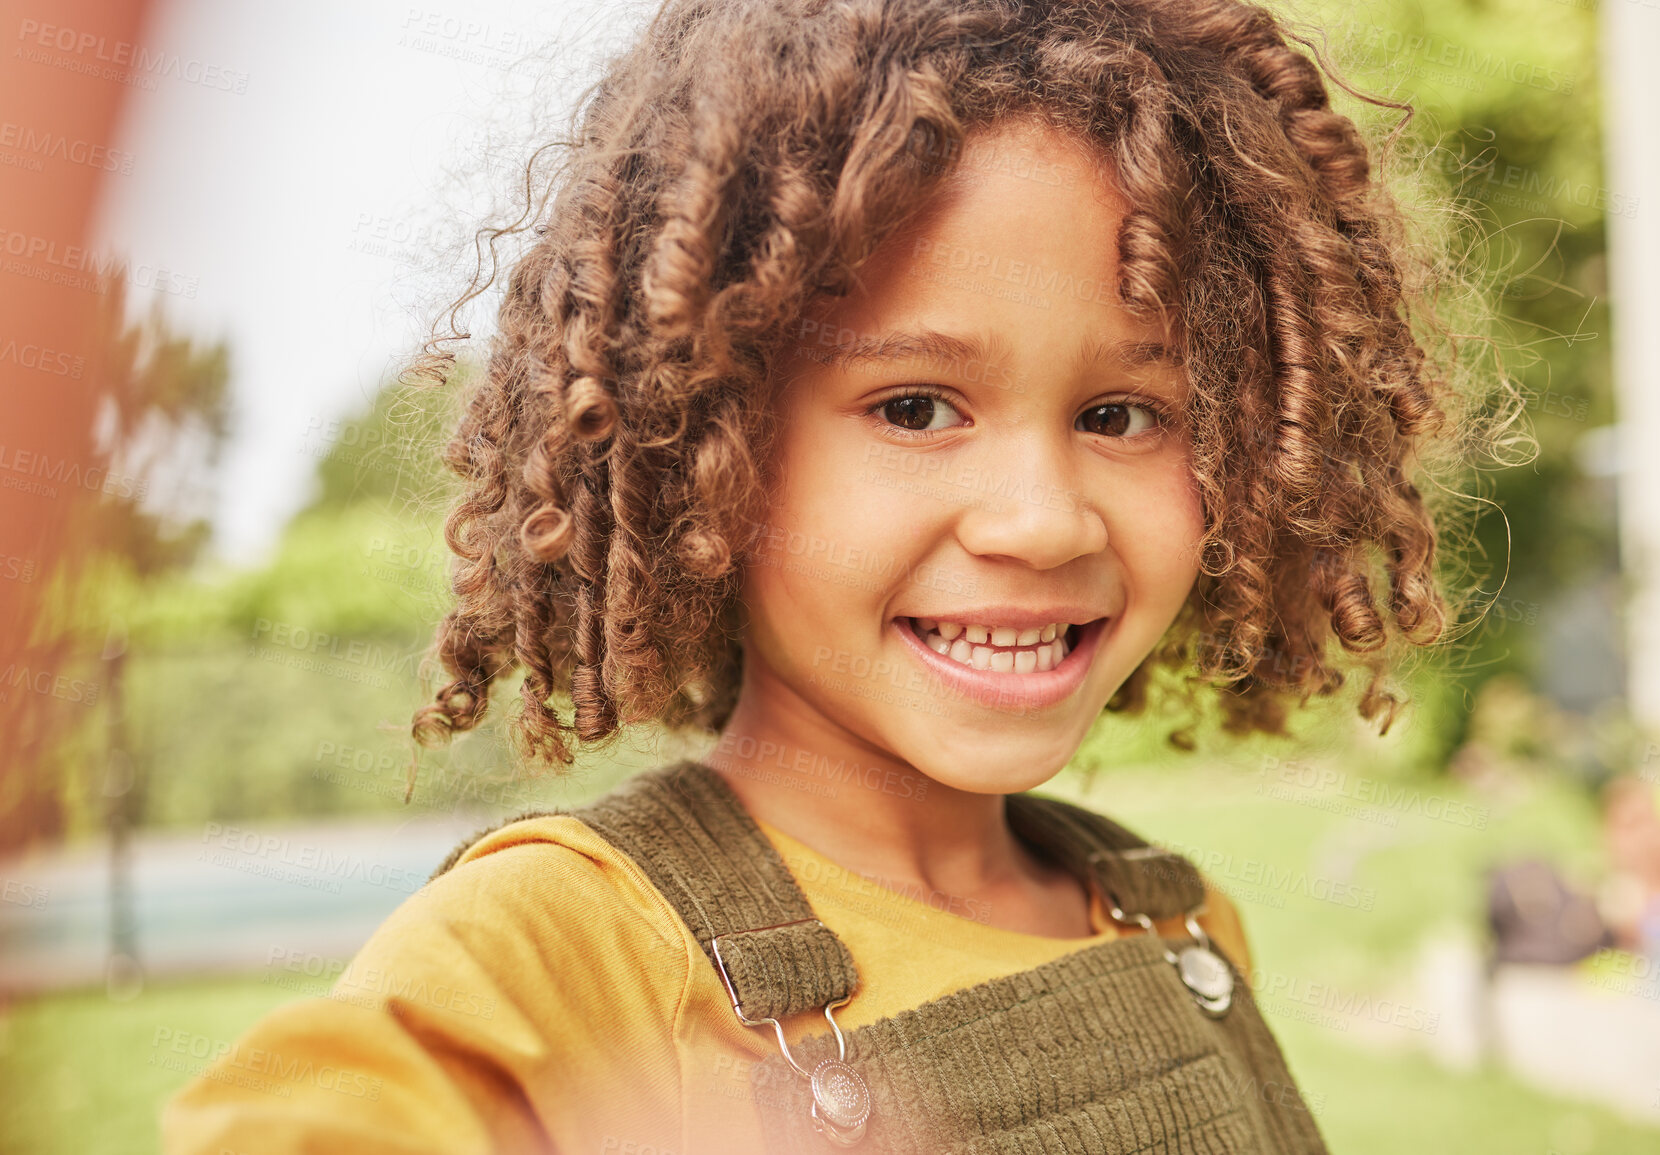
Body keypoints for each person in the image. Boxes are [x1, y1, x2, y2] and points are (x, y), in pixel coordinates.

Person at [162, 0, 1464, 1150]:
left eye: (1122, 416)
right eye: (914, 406)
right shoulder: (572, 948)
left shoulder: (1182, 932)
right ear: (703, 447)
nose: (1041, 520)